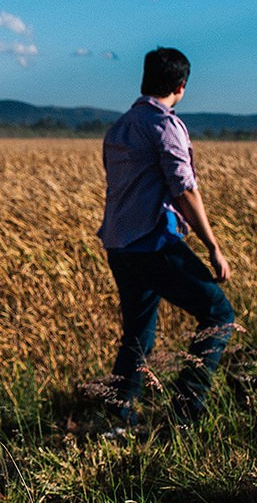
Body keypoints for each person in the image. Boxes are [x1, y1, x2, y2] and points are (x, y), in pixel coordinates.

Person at [97, 47, 235, 429]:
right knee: (219, 315)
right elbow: (184, 189)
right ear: (181, 86)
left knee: (138, 332)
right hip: (154, 244)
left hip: (119, 245)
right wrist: (213, 247)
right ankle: (187, 409)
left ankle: (119, 415)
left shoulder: (120, 126)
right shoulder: (165, 126)